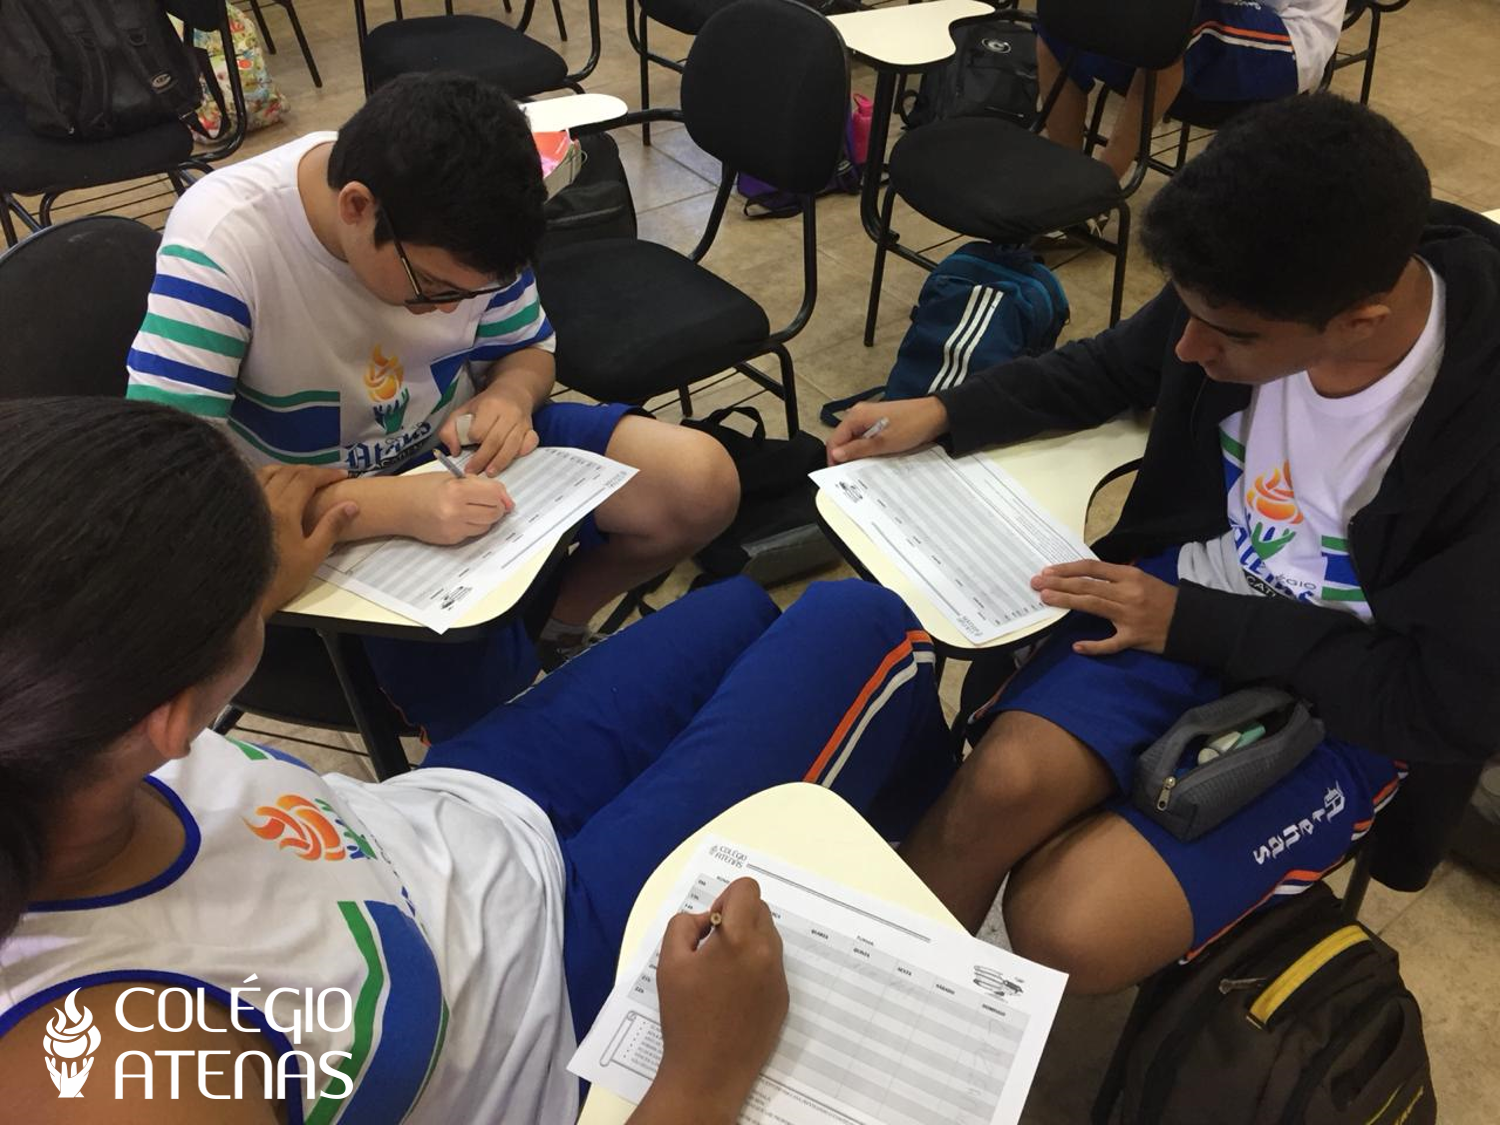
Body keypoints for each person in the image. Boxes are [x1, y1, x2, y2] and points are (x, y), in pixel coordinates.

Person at [0, 397, 955, 1122]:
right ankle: (934, 870)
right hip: (547, 993)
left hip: (456, 816)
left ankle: (885, 842)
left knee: (736, 608)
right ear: (172, 715)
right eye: (247, 597)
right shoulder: (113, 1062)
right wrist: (703, 1076)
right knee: (861, 622)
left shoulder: (66, 738)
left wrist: (256, 585)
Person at [827, 94, 1500, 993]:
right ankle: (866, 1026)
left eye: (1228, 335)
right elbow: (1118, 363)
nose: (1187, 348)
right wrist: (949, 409)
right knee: (997, 787)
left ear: (1361, 323)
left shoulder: (1474, 429)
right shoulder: (1259, 273)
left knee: (1068, 927)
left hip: (1356, 693)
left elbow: (1445, 703)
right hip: (1186, 600)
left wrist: (1194, 624)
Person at [123, 73, 739, 734]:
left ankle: (555, 630)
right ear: (356, 207)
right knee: (488, 700)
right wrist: (390, 506)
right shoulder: (225, 239)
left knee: (699, 485)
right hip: (304, 511)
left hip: (459, 457)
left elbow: (527, 349)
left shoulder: (474, 220)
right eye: (434, 289)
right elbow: (171, 486)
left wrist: (511, 393)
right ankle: (507, 682)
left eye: (472, 295)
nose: (448, 312)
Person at [1038, 0, 1346, 179]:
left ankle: (1098, 187)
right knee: (1061, 17)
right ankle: (1067, 181)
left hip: (1293, 34)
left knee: (1172, 26)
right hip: (1215, 15)